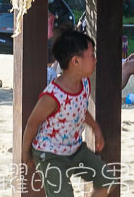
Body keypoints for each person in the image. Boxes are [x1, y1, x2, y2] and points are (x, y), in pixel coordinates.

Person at [20, 30, 116, 197]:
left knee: (107, 180)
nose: (95, 60)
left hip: (75, 150)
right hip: (50, 155)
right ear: (75, 62)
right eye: (92, 55)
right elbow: (32, 123)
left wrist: (96, 128)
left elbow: (80, 109)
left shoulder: (84, 83)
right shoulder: (53, 95)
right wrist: (25, 152)